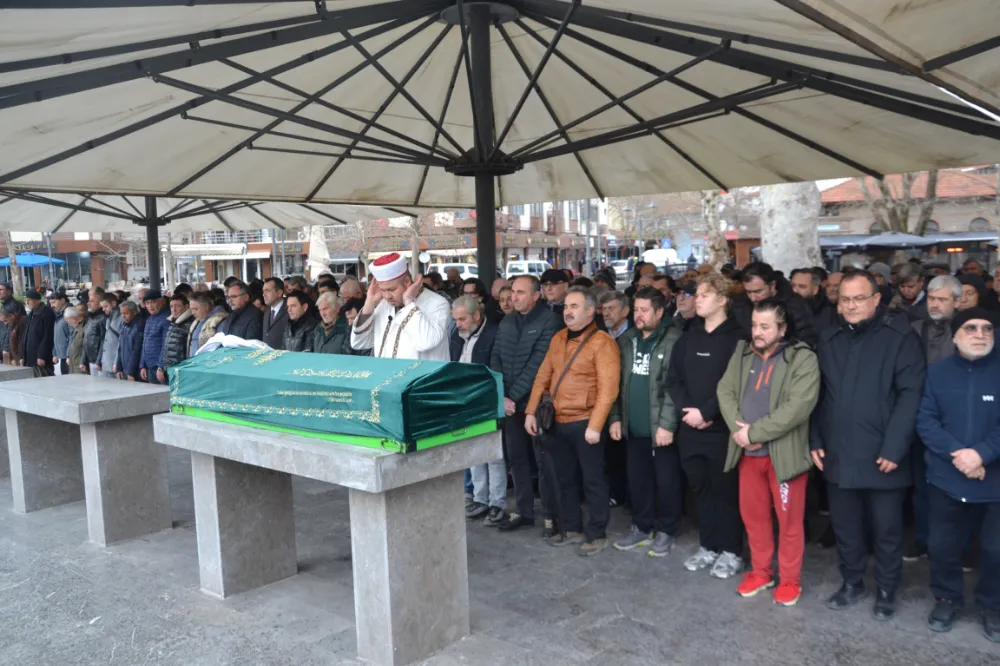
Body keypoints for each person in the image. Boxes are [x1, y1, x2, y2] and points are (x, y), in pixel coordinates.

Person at [812, 269, 926, 620]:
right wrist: (815, 437)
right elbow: (818, 395)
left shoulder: (900, 337)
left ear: (876, 299)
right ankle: (852, 582)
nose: (851, 305)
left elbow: (911, 395)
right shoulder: (828, 338)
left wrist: (895, 447)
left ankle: (887, 589)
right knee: (846, 527)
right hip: (838, 451)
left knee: (887, 530)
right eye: (845, 299)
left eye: (859, 298)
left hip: (883, 454)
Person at [718, 299, 820, 606]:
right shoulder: (742, 353)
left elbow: (798, 407)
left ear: (783, 328)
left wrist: (755, 433)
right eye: (754, 325)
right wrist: (741, 432)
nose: (757, 332)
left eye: (765, 326)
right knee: (754, 518)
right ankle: (761, 572)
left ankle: (790, 580)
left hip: (784, 456)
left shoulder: (802, 358)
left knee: (789, 522)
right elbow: (725, 390)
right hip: (748, 455)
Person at [917, 307, 1000, 641]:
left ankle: (992, 605)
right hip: (946, 478)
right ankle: (946, 599)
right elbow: (926, 420)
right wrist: (959, 454)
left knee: (995, 550)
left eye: (987, 328)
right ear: (955, 336)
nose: (980, 334)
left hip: (994, 481)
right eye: (971, 328)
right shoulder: (937, 373)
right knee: (942, 547)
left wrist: (981, 454)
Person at [526, 287, 620, 556]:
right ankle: (573, 528)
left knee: (593, 481)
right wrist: (531, 411)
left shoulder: (603, 342)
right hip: (558, 420)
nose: (568, 311)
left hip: (585, 421)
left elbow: (608, 390)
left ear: (590, 312)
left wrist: (596, 425)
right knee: (564, 479)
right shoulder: (558, 338)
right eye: (566, 306)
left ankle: (597, 533)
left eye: (574, 306)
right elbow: (543, 376)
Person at [666, 273, 747, 579]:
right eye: (696, 295)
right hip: (691, 428)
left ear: (723, 300)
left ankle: (732, 551)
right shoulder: (689, 336)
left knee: (725, 492)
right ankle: (709, 546)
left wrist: (708, 412)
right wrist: (688, 411)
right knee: (700, 490)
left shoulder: (739, 339)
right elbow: (673, 379)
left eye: (704, 295)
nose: (696, 300)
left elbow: (737, 383)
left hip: (723, 430)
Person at [609, 287, 684, 557]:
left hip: (660, 427)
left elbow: (675, 387)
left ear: (660, 312)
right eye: (636, 310)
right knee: (638, 480)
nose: (638, 315)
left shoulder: (674, 339)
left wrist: (667, 424)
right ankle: (642, 527)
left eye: (644, 310)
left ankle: (666, 530)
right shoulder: (627, 340)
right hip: (634, 426)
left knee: (666, 482)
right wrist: (616, 418)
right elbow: (615, 383)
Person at [491, 275, 561, 534]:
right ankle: (524, 511)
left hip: (537, 405)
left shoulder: (550, 321)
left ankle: (552, 515)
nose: (514, 297)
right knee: (517, 460)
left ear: (536, 295)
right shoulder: (507, 321)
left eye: (520, 292)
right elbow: (496, 356)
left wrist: (512, 396)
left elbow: (539, 365)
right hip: (510, 405)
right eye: (513, 292)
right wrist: (502, 395)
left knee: (544, 463)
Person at [906, 275, 962, 561]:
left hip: (957, 422)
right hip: (920, 418)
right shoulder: (914, 329)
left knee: (956, 486)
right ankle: (924, 539)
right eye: (932, 298)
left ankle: (958, 546)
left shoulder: (968, 331)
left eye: (942, 299)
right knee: (922, 485)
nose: (935, 304)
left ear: (957, 302)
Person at [450, 295, 505, 527]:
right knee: (473, 453)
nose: (458, 324)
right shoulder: (457, 335)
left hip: (487, 401)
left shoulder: (493, 334)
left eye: (462, 319)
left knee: (493, 454)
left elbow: (497, 369)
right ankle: (480, 499)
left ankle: (497, 503)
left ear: (476, 315)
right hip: (464, 402)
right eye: (456, 320)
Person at [351, 253, 450, 361]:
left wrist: (408, 301)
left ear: (407, 282)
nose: (387, 296)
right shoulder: (384, 304)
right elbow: (359, 343)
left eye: (391, 289)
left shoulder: (437, 303)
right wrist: (370, 302)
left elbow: (426, 343)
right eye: (383, 290)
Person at [734, 262, 818, 348]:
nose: (753, 298)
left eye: (758, 291)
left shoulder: (796, 306)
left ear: (772, 285)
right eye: (748, 292)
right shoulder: (741, 306)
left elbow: (808, 341)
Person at [19, 290, 55, 377]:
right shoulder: (31, 315)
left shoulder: (46, 314)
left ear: (37, 301)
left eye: (29, 300)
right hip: (29, 357)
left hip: (40, 358)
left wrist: (42, 356)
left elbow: (47, 336)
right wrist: (22, 356)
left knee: (43, 378)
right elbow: (25, 336)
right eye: (25, 300)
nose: (27, 303)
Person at [790, 267, 837, 332]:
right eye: (792, 286)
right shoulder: (783, 309)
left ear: (815, 290)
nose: (795, 290)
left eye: (802, 286)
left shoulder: (830, 315)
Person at [139, 291, 171, 385]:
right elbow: (144, 343)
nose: (150, 306)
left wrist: (161, 367)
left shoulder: (166, 319)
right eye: (147, 303)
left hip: (160, 369)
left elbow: (166, 345)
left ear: (162, 301)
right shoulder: (149, 319)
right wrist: (143, 365)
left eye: (153, 302)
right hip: (150, 367)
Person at [160, 294, 194, 380]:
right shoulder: (173, 322)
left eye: (177, 306)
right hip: (170, 370)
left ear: (187, 306)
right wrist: (161, 367)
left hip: (181, 371)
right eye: (171, 306)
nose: (174, 310)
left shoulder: (190, 324)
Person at [187, 292, 229, 357]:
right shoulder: (197, 321)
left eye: (196, 309)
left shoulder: (220, 321)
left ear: (206, 307)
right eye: (191, 309)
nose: (193, 313)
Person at [79, 289, 107, 375]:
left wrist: (98, 361)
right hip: (91, 360)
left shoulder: (103, 318)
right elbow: (86, 340)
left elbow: (104, 341)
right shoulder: (90, 318)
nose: (88, 303)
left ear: (100, 304)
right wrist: (83, 360)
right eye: (88, 301)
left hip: (99, 362)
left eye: (92, 301)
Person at [116, 301, 144, 381]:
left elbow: (137, 351)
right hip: (125, 370)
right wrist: (118, 368)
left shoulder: (139, 325)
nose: (123, 316)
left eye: (126, 313)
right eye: (122, 313)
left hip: (135, 372)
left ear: (134, 312)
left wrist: (131, 372)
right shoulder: (123, 325)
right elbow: (120, 348)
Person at [98, 292, 122, 379]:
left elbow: (121, 342)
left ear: (114, 303)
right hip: (107, 362)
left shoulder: (121, 318)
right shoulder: (109, 318)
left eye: (106, 306)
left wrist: (117, 362)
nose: (103, 309)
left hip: (114, 364)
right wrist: (102, 360)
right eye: (102, 307)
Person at [261, 277, 288, 350]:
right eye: (263, 291)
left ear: (279, 293)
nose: (264, 294)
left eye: (267, 291)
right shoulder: (267, 311)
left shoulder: (289, 310)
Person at [50, 291, 72, 375]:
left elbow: (72, 335)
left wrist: (69, 355)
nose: (52, 305)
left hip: (68, 356)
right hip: (62, 355)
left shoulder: (69, 313)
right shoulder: (59, 315)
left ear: (62, 300)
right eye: (51, 303)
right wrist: (55, 353)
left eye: (54, 302)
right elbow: (57, 336)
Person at [65, 307, 87, 374]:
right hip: (75, 365)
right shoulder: (76, 328)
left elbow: (85, 347)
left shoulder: (85, 327)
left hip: (81, 366)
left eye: (69, 321)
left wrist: (83, 362)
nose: (69, 323)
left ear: (74, 318)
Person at [2, 302, 24, 366]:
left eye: (5, 320)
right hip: (15, 359)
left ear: (11, 316)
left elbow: (21, 342)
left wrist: (21, 357)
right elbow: (10, 342)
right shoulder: (11, 324)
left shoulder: (21, 322)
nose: (5, 323)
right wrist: (12, 358)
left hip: (21, 359)